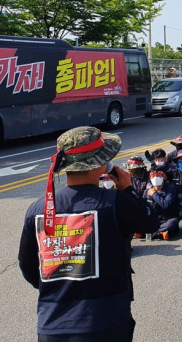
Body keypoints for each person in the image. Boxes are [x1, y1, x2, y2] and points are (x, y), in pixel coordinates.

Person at [18, 126, 158, 341]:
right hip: (106, 321)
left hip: (52, 324)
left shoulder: (38, 209)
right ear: (102, 164)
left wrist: (60, 285)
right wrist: (128, 189)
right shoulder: (116, 203)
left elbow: (28, 266)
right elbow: (150, 222)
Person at [143, 170, 180, 240]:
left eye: (158, 176)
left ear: (163, 177)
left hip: (167, 219)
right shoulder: (147, 190)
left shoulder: (171, 188)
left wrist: (154, 194)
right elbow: (142, 206)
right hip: (153, 219)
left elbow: (165, 204)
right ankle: (159, 233)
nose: (155, 178)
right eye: (153, 176)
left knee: (173, 222)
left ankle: (150, 233)